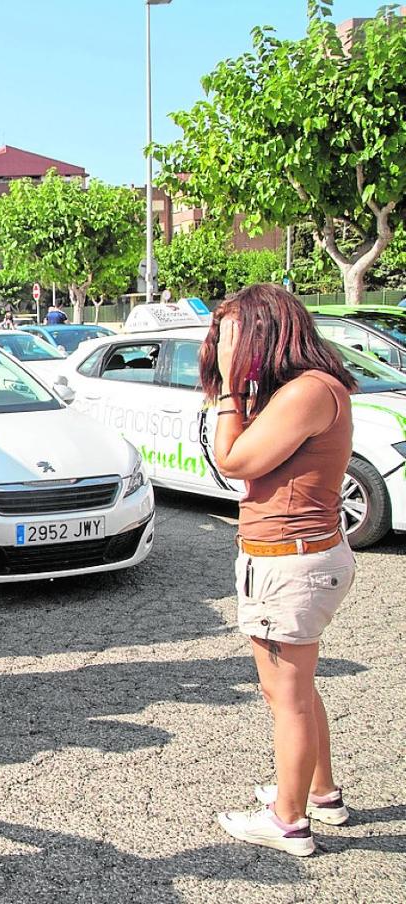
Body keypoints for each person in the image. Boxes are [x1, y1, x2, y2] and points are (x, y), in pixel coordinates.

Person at [201, 284, 359, 857]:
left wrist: (232, 390)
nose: (223, 344)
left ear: (266, 331)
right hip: (296, 557)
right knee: (296, 686)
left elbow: (234, 459)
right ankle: (320, 792)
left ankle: (288, 820)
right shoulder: (309, 389)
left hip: (290, 563)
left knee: (283, 695)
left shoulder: (309, 392)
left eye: (232, 334)